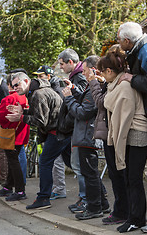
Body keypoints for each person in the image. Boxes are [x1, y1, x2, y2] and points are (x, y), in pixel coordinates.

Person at [112, 22, 147, 233]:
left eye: (119, 40)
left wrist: (133, 79)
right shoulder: (142, 50)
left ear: (127, 41)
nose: (118, 43)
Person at [98, 46, 147, 233]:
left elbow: (123, 120)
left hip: (136, 134)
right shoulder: (117, 85)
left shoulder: (124, 86)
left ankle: (137, 219)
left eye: (102, 72)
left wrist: (115, 146)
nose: (102, 76)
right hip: (131, 134)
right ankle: (134, 217)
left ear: (110, 71)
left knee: (133, 178)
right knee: (129, 178)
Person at [6, 74, 71, 209]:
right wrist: (23, 111)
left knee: (45, 162)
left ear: (25, 81)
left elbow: (41, 120)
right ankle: (99, 197)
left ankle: (43, 198)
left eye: (16, 85)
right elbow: (42, 111)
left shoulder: (38, 94)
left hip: (57, 133)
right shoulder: (40, 90)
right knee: (75, 165)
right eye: (12, 86)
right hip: (63, 132)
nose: (14, 88)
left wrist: (21, 117)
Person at [62, 55, 110, 220]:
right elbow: (85, 104)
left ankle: (94, 207)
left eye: (84, 70)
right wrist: (74, 90)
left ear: (93, 70)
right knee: (91, 173)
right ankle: (102, 204)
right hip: (86, 135)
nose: (82, 74)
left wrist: (68, 98)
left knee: (89, 174)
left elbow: (83, 112)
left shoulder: (94, 86)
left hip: (87, 136)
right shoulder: (92, 87)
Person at [88, 45, 129, 225]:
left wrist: (94, 83)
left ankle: (122, 211)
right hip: (109, 131)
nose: (102, 73)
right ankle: (122, 210)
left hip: (114, 132)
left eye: (103, 71)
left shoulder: (119, 83)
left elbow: (102, 103)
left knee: (119, 175)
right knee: (117, 174)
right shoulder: (112, 82)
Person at [0, 73, 30, 201]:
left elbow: (1, 117)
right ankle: (8, 186)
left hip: (10, 133)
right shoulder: (25, 97)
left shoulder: (8, 99)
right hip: (22, 132)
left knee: (13, 162)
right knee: (14, 160)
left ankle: (19, 190)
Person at [57, 48, 89, 213]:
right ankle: (89, 197)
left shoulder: (80, 77)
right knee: (79, 167)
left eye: (62, 64)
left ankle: (87, 198)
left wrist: (66, 124)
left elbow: (83, 104)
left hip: (80, 129)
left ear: (70, 62)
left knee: (81, 167)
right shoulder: (76, 77)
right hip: (76, 127)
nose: (61, 67)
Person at [33, 65, 70, 200]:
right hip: (58, 131)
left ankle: (56, 191)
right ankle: (57, 190)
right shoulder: (52, 88)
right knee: (70, 163)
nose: (39, 79)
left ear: (48, 76)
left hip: (59, 131)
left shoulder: (56, 89)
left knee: (53, 162)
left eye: (41, 76)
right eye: (37, 76)